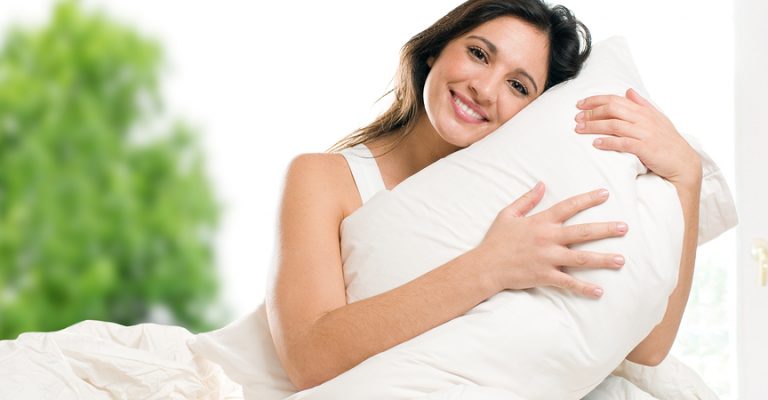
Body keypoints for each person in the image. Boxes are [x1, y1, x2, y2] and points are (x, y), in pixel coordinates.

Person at [266, 0, 702, 391]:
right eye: (478, 54)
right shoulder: (323, 178)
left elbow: (646, 348)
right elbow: (309, 359)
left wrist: (688, 177)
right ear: (435, 47)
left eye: (519, 86)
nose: (485, 88)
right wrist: (489, 267)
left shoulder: (536, 204)